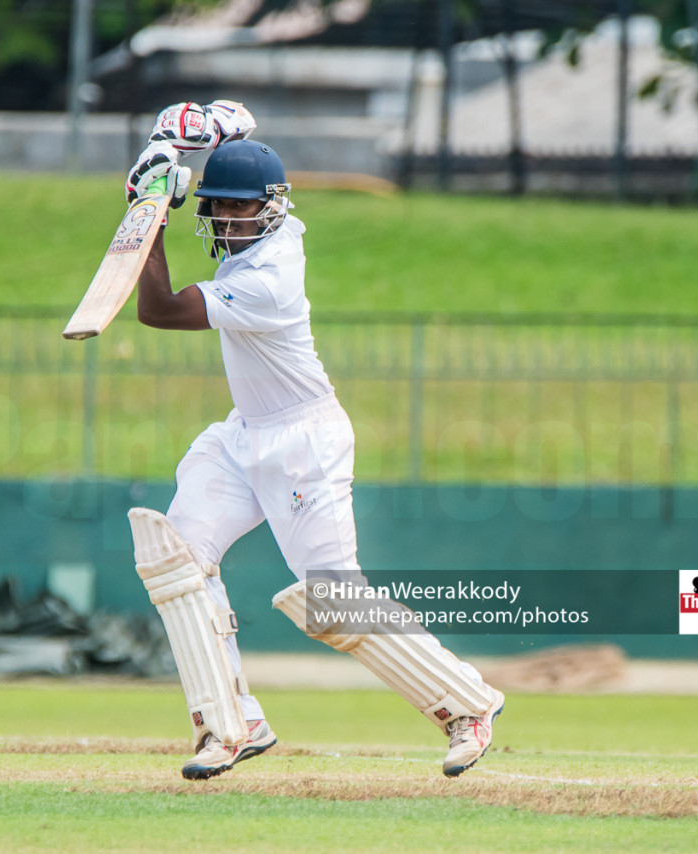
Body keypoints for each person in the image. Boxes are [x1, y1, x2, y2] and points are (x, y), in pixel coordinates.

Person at [123, 112, 504, 781]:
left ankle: (467, 705)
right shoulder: (261, 236)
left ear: (271, 210)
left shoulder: (268, 277)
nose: (228, 220)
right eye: (218, 207)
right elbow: (239, 138)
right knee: (176, 556)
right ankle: (230, 723)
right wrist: (203, 133)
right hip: (243, 434)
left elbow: (157, 309)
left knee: (332, 600)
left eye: (241, 208)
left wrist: (147, 209)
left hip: (305, 441)